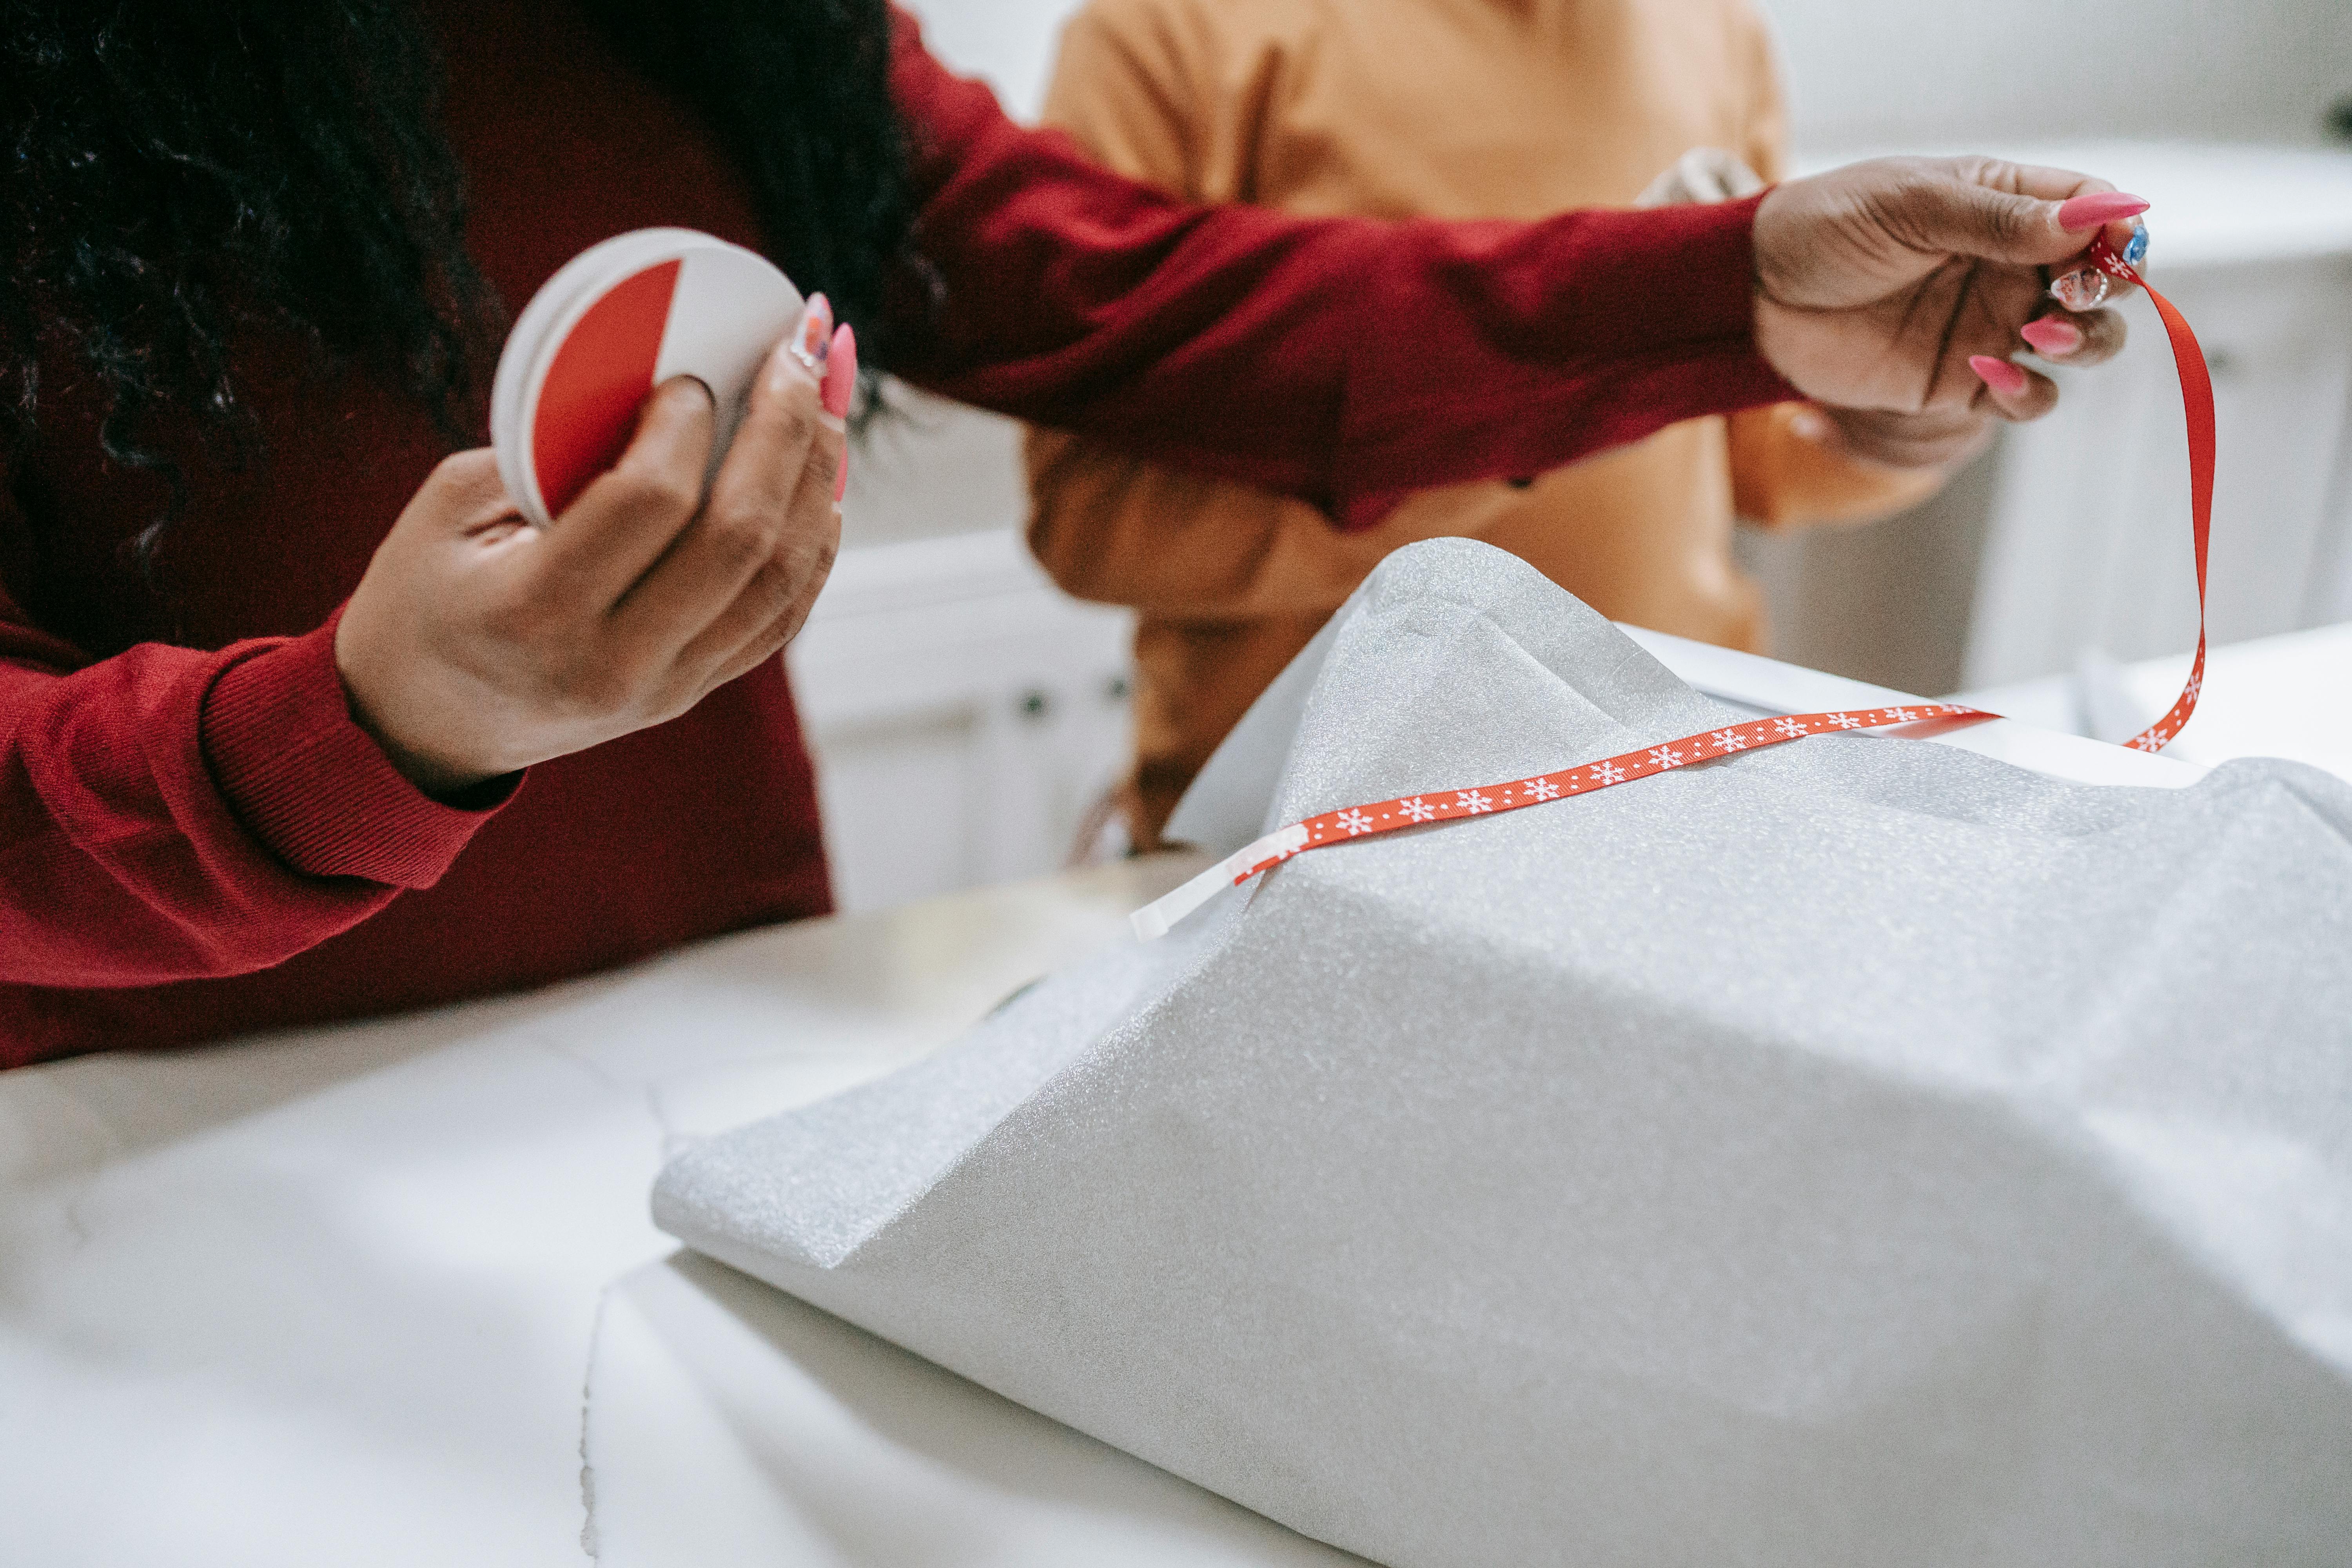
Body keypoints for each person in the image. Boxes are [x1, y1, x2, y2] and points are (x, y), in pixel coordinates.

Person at [0, 0, 2142, 1066]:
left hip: (681, 1053)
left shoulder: (741, 33)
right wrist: (359, 732)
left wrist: (1721, 297)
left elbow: (1160, 302)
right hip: (140, 1145)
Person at [1025, 0, 1978, 847]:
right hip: (1306, 838)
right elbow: (1096, 518)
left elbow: (1746, 454)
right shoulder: (1166, 29)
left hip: (1664, 802)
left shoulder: (1715, 25)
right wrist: (1528, 421)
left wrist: (1889, 434)